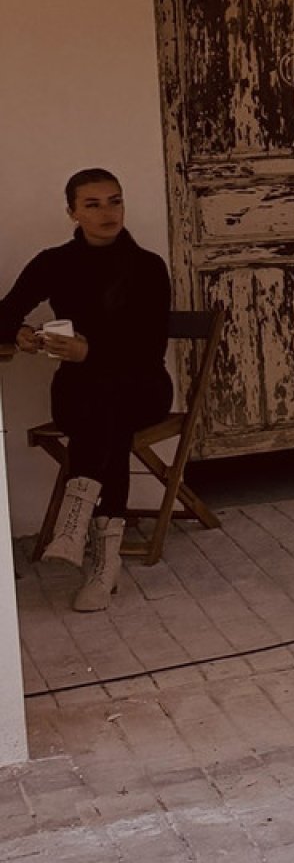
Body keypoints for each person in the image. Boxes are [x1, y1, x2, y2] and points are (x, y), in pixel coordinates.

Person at [1, 168, 172, 612]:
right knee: (104, 415)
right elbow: (4, 312)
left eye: (114, 200)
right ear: (72, 213)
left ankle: (78, 529)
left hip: (144, 386)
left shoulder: (147, 265)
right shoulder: (53, 262)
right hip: (82, 392)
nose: (107, 212)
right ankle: (103, 559)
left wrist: (89, 351)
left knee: (107, 401)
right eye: (92, 204)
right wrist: (18, 331)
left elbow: (149, 346)